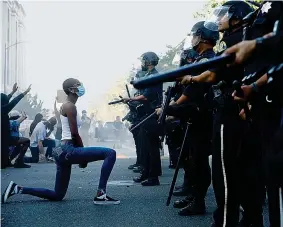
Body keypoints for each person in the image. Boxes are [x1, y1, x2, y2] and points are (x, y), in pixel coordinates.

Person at [2, 78, 120, 205]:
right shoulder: (70, 106)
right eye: (78, 85)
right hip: (68, 149)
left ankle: (17, 189)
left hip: (62, 150)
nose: (81, 87)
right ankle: (101, 194)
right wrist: (83, 159)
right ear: (71, 89)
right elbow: (74, 133)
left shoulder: (67, 106)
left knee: (58, 195)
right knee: (110, 153)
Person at [164, 21, 218, 216]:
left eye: (195, 35)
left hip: (202, 117)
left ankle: (199, 202)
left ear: (202, 37)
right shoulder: (202, 59)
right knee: (193, 160)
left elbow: (193, 89)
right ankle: (195, 196)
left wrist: (172, 107)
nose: (193, 38)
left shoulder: (208, 60)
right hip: (196, 117)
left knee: (199, 162)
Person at [124, 51, 163, 186]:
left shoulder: (154, 76)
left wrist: (130, 98)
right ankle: (146, 173)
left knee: (151, 147)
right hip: (147, 114)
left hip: (152, 113)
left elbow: (146, 96)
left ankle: (153, 176)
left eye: (144, 61)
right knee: (145, 145)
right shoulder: (149, 75)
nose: (142, 63)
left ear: (148, 61)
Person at [1, 83, 31, 169]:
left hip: (4, 139)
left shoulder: (2, 108)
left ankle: (8, 160)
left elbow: (7, 99)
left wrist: (13, 91)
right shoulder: (3, 110)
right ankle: (19, 162)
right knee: (26, 141)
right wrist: (25, 92)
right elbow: (14, 102)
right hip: (6, 139)